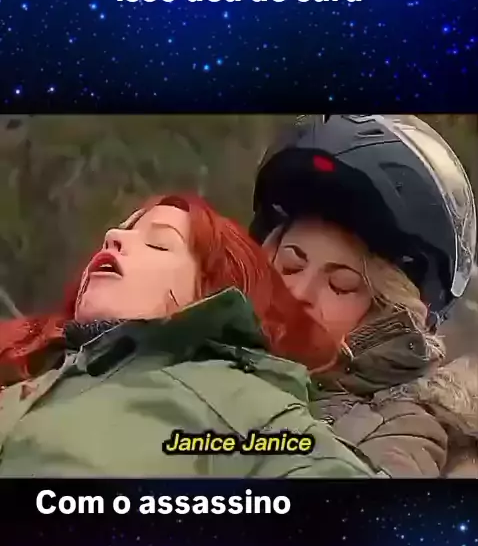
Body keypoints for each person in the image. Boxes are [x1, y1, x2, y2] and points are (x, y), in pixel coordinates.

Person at [0, 193, 381, 478]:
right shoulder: (32, 368)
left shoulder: (235, 402)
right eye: (119, 232)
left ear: (209, 291)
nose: (113, 235)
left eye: (158, 243)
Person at [250, 114, 478, 477]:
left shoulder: (399, 431)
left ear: (386, 313)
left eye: (340, 284)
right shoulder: (189, 352)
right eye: (291, 266)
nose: (298, 293)